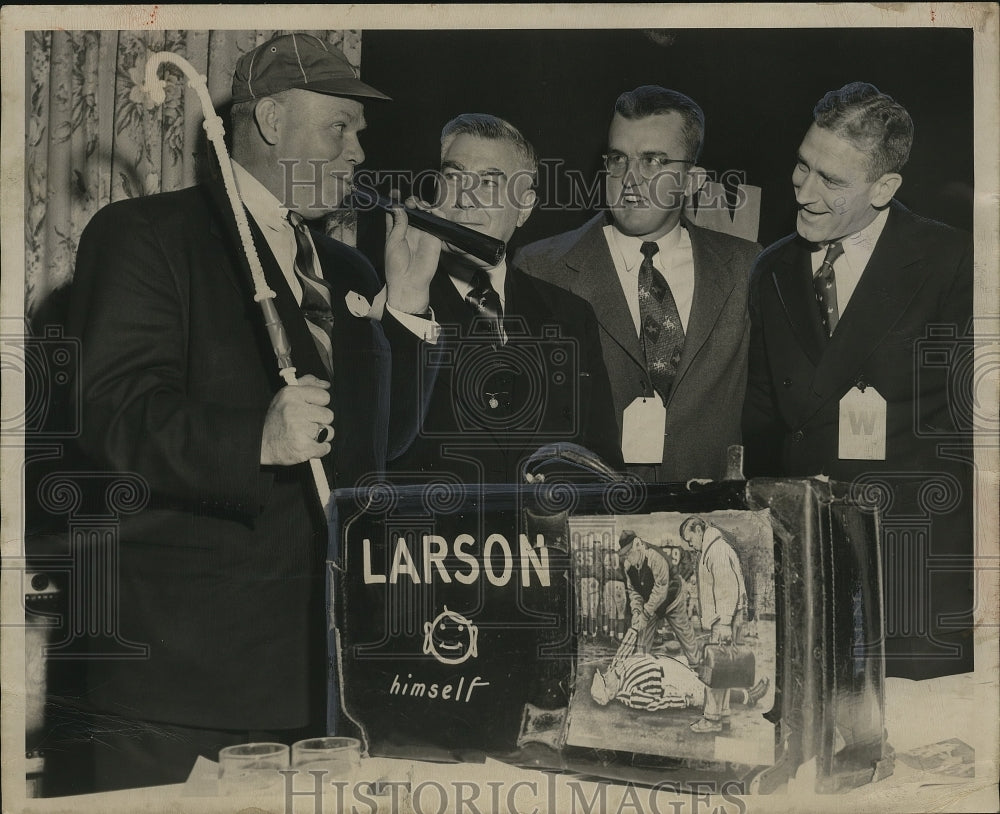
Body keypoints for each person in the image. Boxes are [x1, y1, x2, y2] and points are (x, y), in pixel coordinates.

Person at [64, 33, 441, 792]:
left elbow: (377, 447)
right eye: (341, 127)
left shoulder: (347, 267)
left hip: (319, 677)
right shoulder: (148, 236)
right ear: (271, 120)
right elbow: (112, 417)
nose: (361, 152)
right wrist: (255, 439)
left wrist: (405, 305)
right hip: (183, 683)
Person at [741, 82, 974, 680]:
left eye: (833, 181)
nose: (805, 192)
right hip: (804, 560)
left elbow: (972, 436)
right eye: (802, 165)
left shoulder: (954, 263)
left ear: (885, 188)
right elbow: (763, 418)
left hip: (910, 571)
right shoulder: (771, 268)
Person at [516, 86, 762, 482]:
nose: (629, 179)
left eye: (653, 161)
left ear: (693, 180)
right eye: (618, 159)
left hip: (710, 523)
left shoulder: (746, 268)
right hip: (590, 518)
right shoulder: (539, 266)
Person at [387, 113, 621, 484]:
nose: (464, 199)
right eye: (453, 177)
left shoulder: (571, 318)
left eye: (489, 183)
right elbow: (373, 451)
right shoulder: (394, 304)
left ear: (525, 206)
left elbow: (601, 467)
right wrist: (407, 306)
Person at [679, 516, 750, 734]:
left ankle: (711, 718)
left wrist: (725, 622)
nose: (691, 545)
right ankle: (724, 712)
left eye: (691, 540)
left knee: (714, 669)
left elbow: (727, 590)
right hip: (726, 618)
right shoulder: (714, 549)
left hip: (724, 620)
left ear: (700, 531)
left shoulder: (716, 551)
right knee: (725, 667)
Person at [617, 530, 699, 663]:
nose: (627, 557)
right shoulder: (628, 566)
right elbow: (634, 592)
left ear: (638, 545)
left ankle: (697, 666)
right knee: (642, 643)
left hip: (673, 600)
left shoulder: (654, 557)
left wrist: (645, 614)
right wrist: (637, 611)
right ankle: (641, 667)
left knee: (686, 635)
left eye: (628, 552)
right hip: (652, 603)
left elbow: (661, 589)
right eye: (624, 554)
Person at [590, 653, 768, 712]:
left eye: (603, 673)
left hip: (671, 665)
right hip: (672, 684)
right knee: (707, 692)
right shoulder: (630, 694)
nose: (607, 672)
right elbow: (657, 703)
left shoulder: (619, 669)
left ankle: (744, 683)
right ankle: (747, 697)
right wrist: (685, 701)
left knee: (706, 672)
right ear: (611, 692)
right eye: (605, 678)